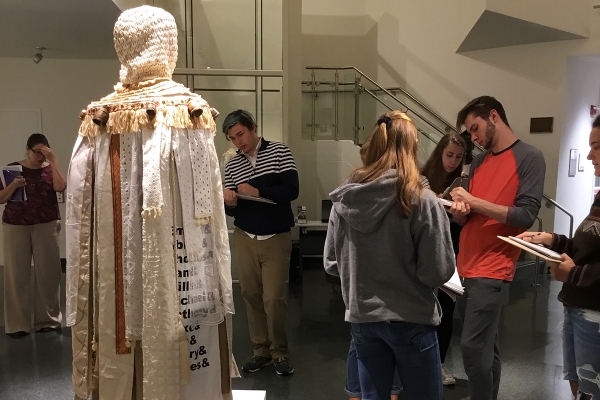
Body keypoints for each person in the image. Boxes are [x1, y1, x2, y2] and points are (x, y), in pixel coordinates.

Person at [324, 111, 455, 400]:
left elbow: (332, 264)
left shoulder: (344, 199)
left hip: (363, 319)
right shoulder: (422, 200)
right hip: (411, 318)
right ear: (413, 146)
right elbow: (437, 272)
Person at [448, 96, 545, 400]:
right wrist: (461, 213)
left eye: (475, 128)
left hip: (492, 267)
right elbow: (472, 217)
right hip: (465, 264)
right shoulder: (479, 161)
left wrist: (474, 202)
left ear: (494, 116)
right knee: (486, 348)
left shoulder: (530, 157)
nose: (473, 138)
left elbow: (526, 215)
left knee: (473, 349)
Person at [516, 115, 600, 400]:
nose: (590, 155)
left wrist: (573, 274)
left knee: (592, 390)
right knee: (580, 387)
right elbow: (587, 247)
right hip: (577, 305)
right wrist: (551, 240)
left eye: (597, 147)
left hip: (594, 311)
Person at [222, 109, 299, 376]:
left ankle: (280, 351)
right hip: (245, 236)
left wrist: (258, 190)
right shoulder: (232, 164)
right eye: (233, 138)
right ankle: (260, 350)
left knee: (274, 298)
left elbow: (292, 190)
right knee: (250, 295)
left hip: (276, 236)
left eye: (241, 134)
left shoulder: (279, 152)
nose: (238, 142)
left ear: (253, 127)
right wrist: (229, 203)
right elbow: (232, 210)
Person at [1, 133, 66, 337]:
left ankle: (48, 320)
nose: (39, 156)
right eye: (36, 152)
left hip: (46, 225)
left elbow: (60, 186)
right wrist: (14, 185)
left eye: (43, 152)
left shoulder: (49, 168)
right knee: (16, 274)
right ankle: (17, 323)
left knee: (48, 273)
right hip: (16, 225)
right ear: (27, 150)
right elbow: (1, 198)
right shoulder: (13, 169)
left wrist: (53, 160)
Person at [421, 132, 467, 386]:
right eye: (449, 155)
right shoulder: (423, 177)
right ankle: (420, 362)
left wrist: (460, 214)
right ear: (440, 152)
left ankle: (438, 362)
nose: (452, 161)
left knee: (447, 309)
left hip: (452, 250)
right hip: (426, 250)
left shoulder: (463, 183)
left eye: (458, 157)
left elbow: (465, 221)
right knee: (422, 307)